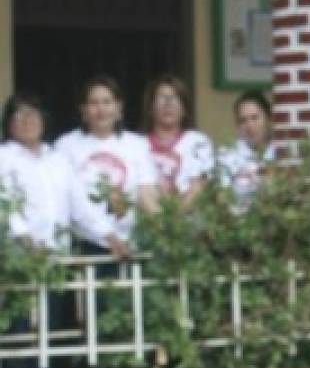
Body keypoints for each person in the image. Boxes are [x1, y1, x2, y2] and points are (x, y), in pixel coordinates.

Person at [0, 93, 127, 368]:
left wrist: (110, 236)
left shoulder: (57, 160)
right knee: (20, 334)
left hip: (56, 261)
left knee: (51, 333)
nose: (26, 121)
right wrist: (26, 242)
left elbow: (80, 207)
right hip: (18, 264)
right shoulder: (3, 157)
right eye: (18, 115)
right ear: (8, 124)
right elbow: (4, 206)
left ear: (44, 120)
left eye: (32, 113)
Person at [55, 76, 159, 254]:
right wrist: (106, 235)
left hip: (131, 243)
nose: (101, 109)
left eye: (107, 102)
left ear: (119, 108)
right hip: (84, 242)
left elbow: (146, 194)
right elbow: (69, 198)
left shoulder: (137, 144)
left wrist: (165, 229)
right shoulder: (66, 145)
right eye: (93, 103)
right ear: (83, 110)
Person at [141, 75, 214, 207]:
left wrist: (174, 221)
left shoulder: (198, 142)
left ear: (184, 109)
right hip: (149, 222)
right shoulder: (138, 145)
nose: (168, 103)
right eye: (161, 97)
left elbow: (199, 186)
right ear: (150, 108)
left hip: (188, 223)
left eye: (174, 98)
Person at [217, 91, 277, 206]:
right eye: (243, 121)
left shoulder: (282, 151)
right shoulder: (228, 154)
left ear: (269, 118)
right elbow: (222, 197)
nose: (249, 126)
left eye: (255, 118)